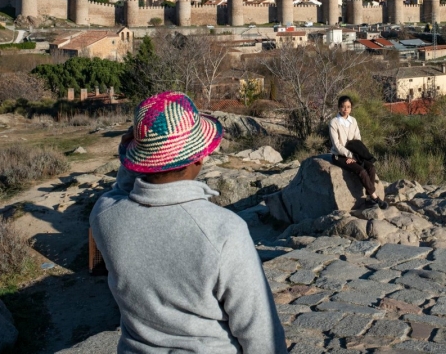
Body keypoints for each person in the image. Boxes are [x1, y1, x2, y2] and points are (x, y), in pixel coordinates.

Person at [90, 91, 286, 354]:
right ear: (198, 157)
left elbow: (119, 192)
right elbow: (260, 333)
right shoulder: (224, 231)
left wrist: (133, 159)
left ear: (139, 158)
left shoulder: (105, 216)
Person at [329, 95, 387, 209]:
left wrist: (355, 155)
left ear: (351, 108)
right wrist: (350, 156)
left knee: (371, 167)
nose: (346, 109)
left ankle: (369, 196)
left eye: (348, 107)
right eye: (343, 106)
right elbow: (337, 144)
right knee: (361, 171)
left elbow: (357, 139)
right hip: (339, 155)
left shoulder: (353, 121)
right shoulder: (334, 122)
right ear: (339, 107)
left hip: (354, 154)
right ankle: (374, 197)